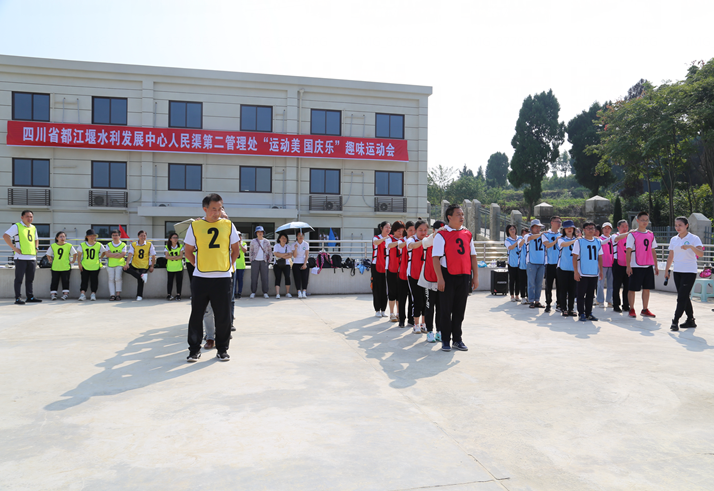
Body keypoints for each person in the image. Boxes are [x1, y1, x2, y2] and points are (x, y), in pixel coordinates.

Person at [184, 193, 241, 362]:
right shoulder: (195, 226)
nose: (217, 212)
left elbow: (235, 249)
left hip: (222, 277)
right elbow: (188, 251)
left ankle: (222, 349)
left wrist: (227, 266)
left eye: (220, 209)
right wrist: (198, 265)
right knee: (197, 315)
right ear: (205, 209)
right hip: (200, 277)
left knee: (223, 316)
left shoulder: (228, 225)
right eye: (213, 209)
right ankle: (194, 350)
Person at [432, 204, 478, 352]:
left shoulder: (467, 234)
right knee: (446, 310)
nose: (461, 217)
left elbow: (473, 256)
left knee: (459, 310)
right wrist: (440, 278)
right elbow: (435, 258)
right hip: (448, 275)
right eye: (458, 214)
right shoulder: (441, 235)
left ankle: (457, 339)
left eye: (462, 214)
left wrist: (475, 276)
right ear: (449, 217)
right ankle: (446, 339)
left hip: (464, 275)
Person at [665, 217, 704, 331]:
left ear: (686, 225)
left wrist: (691, 246)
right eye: (676, 225)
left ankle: (675, 321)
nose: (677, 227)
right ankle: (690, 320)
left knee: (681, 298)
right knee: (684, 296)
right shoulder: (674, 239)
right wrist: (667, 270)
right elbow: (670, 256)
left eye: (680, 225)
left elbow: (701, 254)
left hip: (689, 272)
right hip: (677, 271)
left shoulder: (694, 238)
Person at [3, 210, 42, 304]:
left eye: (31, 216)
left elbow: (36, 239)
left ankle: (30, 297)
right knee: (19, 279)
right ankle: (18, 298)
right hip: (20, 258)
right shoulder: (17, 226)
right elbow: (5, 236)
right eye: (27, 216)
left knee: (30, 279)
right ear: (22, 217)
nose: (29, 218)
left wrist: (36, 248)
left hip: (32, 257)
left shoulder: (33, 227)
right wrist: (14, 248)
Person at [626, 211, 659, 318]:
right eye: (642, 220)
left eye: (646, 220)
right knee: (632, 289)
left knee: (647, 288)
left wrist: (656, 266)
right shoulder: (632, 235)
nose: (645, 222)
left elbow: (653, 250)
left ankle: (645, 309)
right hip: (636, 266)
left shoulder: (650, 234)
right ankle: (631, 309)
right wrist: (628, 266)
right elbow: (628, 251)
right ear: (637, 221)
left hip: (648, 265)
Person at [572, 222, 603, 321]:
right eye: (588, 228)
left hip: (594, 272)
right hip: (582, 272)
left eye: (592, 228)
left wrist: (601, 271)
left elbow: (600, 257)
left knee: (590, 295)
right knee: (581, 295)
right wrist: (576, 272)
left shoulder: (598, 241)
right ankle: (581, 313)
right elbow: (574, 257)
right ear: (584, 230)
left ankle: (589, 313)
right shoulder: (579, 241)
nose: (591, 230)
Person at [419, 220, 444, 343]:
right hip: (429, 279)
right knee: (429, 307)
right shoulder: (428, 239)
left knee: (441, 307)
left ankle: (439, 331)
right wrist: (438, 233)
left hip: (441, 279)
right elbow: (426, 242)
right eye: (438, 229)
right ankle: (429, 331)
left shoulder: (445, 239)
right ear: (433, 230)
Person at [407, 220, 429, 334]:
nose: (423, 232)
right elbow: (412, 246)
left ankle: (423, 324)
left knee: (426, 301)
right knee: (417, 301)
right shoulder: (411, 239)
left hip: (426, 275)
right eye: (420, 230)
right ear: (416, 230)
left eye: (425, 230)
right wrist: (424, 241)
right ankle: (415, 324)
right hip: (413, 275)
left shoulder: (429, 239)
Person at [123, 231, 156, 301]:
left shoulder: (149, 244)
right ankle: (141, 275)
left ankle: (139, 295)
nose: (143, 237)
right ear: (138, 236)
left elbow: (153, 256)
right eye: (141, 235)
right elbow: (130, 254)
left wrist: (152, 266)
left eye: (144, 236)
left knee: (140, 280)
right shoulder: (134, 244)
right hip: (135, 263)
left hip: (144, 265)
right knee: (125, 269)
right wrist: (127, 264)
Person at [556, 221, 578, 317]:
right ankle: (563, 308)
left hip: (573, 268)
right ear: (564, 229)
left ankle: (571, 308)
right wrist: (575, 241)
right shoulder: (561, 239)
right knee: (563, 290)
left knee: (572, 290)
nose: (569, 229)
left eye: (571, 228)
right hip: (563, 268)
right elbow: (564, 244)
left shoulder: (577, 240)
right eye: (567, 228)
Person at [78, 229, 107, 301]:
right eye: (90, 236)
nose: (92, 237)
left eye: (94, 236)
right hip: (85, 265)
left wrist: (100, 258)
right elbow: (79, 255)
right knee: (84, 280)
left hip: (95, 265)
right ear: (87, 237)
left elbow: (104, 252)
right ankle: (82, 294)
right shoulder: (82, 245)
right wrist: (79, 264)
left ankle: (93, 294)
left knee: (94, 281)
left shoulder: (99, 244)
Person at [47, 231, 77, 300]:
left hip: (65, 266)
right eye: (60, 236)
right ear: (57, 238)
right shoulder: (53, 245)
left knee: (65, 281)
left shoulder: (69, 245)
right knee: (54, 281)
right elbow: (48, 254)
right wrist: (50, 260)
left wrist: (73, 261)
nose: (62, 238)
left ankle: (65, 294)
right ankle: (53, 294)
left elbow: (75, 253)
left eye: (64, 236)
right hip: (55, 267)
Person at [385, 221, 405, 322]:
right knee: (392, 292)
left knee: (400, 293)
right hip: (392, 269)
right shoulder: (389, 239)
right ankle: (391, 313)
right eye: (398, 231)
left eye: (402, 231)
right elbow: (389, 245)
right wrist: (400, 242)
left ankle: (399, 312)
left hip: (402, 270)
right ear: (394, 231)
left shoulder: (405, 240)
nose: (400, 233)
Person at [542, 216, 562, 313]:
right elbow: (547, 245)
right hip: (550, 264)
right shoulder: (546, 234)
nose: (559, 224)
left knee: (560, 286)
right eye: (557, 221)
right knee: (548, 285)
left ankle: (559, 304)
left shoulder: (561, 234)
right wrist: (556, 240)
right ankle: (548, 304)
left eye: (560, 222)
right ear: (552, 223)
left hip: (560, 264)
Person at [397, 221, 416, 327]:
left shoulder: (416, 240)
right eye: (410, 230)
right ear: (406, 230)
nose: (412, 232)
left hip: (413, 272)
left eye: (414, 230)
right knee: (402, 298)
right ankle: (401, 319)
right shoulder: (403, 240)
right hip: (403, 273)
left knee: (412, 298)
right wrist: (409, 241)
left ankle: (411, 319)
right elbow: (400, 246)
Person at [525, 219, 547, 309]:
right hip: (531, 262)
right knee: (531, 283)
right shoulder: (527, 236)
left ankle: (537, 300)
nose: (538, 229)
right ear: (532, 228)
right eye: (536, 227)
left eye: (539, 227)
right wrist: (541, 234)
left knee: (539, 284)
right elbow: (530, 239)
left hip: (541, 263)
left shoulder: (543, 236)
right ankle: (531, 301)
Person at [611, 219, 631, 313]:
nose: (625, 228)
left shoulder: (630, 237)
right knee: (616, 286)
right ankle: (616, 304)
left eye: (626, 226)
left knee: (627, 286)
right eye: (623, 226)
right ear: (618, 227)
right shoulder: (614, 236)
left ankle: (626, 305)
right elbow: (617, 238)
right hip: (617, 264)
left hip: (628, 264)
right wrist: (629, 233)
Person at [372, 221, 391, 317]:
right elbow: (376, 243)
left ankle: (383, 309)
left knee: (385, 288)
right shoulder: (376, 237)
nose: (388, 229)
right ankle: (377, 310)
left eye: (389, 227)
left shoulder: (390, 238)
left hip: (387, 265)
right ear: (381, 228)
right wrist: (384, 238)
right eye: (386, 227)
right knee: (377, 288)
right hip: (376, 265)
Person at [249, 226, 272, 299]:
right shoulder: (253, 241)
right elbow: (251, 251)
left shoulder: (267, 241)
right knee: (254, 278)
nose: (260, 233)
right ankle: (253, 292)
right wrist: (251, 259)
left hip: (264, 261)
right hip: (255, 261)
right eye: (258, 232)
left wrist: (269, 260)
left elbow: (270, 251)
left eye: (261, 232)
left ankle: (265, 292)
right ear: (256, 233)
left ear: (263, 233)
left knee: (265, 278)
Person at [597, 222, 615, 308]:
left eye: (608, 228)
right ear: (602, 229)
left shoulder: (613, 239)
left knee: (611, 284)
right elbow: (602, 243)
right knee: (600, 283)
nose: (607, 230)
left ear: (611, 230)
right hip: (602, 264)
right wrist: (611, 238)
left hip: (611, 264)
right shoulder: (599, 239)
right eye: (605, 228)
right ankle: (600, 301)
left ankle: (609, 300)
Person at [105, 229, 127, 301]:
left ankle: (118, 294)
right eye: (113, 235)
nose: (115, 237)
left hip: (120, 264)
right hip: (110, 265)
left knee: (118, 278)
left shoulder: (123, 244)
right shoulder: (108, 244)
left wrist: (112, 254)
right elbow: (107, 254)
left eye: (116, 235)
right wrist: (117, 254)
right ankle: (112, 295)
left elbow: (123, 255)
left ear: (119, 236)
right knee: (111, 279)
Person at [273, 232, 293, 299]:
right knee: (278, 277)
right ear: (279, 239)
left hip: (286, 264)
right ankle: (277, 293)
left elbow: (290, 255)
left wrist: (281, 255)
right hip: (277, 264)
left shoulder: (288, 246)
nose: (284, 239)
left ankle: (287, 292)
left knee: (287, 277)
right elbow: (276, 254)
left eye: (285, 238)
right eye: (282, 238)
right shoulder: (276, 246)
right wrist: (285, 254)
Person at [165, 232, 184, 301]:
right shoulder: (167, 247)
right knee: (170, 282)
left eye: (176, 237)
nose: (175, 239)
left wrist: (171, 257)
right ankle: (169, 294)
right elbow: (166, 256)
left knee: (179, 282)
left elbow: (181, 256)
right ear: (170, 239)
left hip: (179, 267)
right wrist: (175, 257)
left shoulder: (180, 246)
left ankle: (178, 295)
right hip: (170, 267)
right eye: (174, 238)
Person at [504, 224, 520, 302]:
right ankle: (512, 295)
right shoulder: (507, 240)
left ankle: (517, 295)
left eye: (513, 229)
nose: (513, 230)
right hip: (511, 263)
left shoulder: (520, 238)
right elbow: (510, 247)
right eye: (511, 229)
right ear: (508, 231)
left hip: (519, 262)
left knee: (518, 280)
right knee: (512, 280)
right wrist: (517, 243)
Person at [292, 231, 310, 298]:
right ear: (297, 237)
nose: (301, 237)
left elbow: (307, 255)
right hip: (296, 263)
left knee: (305, 278)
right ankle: (299, 292)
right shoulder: (293, 244)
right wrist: (296, 248)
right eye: (299, 235)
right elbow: (294, 256)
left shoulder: (306, 244)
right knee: (297, 278)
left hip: (304, 262)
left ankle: (304, 292)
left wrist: (305, 264)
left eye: (302, 235)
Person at [234, 231, 247, 299]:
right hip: (234, 265)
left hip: (241, 265)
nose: (238, 237)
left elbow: (245, 250)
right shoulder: (233, 243)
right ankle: (234, 293)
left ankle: (239, 292)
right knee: (234, 280)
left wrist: (240, 244)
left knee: (240, 280)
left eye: (239, 236)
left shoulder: (244, 243)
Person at [517, 228, 529, 304]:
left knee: (529, 282)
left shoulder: (531, 241)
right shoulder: (520, 240)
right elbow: (520, 244)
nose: (525, 235)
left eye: (526, 233)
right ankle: (523, 297)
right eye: (524, 233)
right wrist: (525, 238)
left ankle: (529, 296)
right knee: (522, 282)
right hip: (522, 265)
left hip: (530, 265)